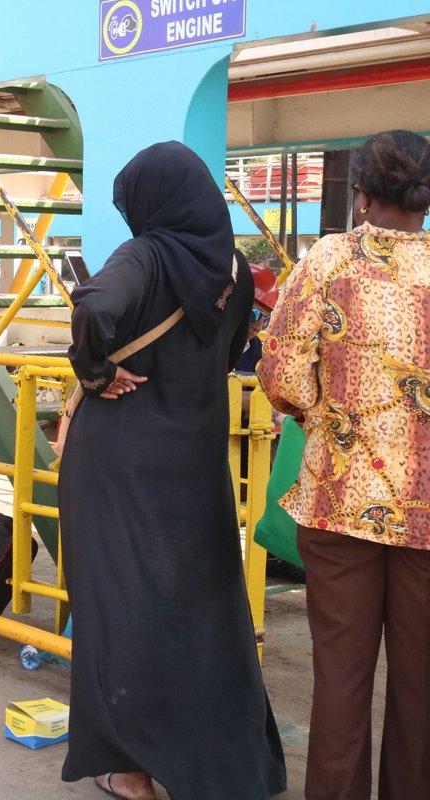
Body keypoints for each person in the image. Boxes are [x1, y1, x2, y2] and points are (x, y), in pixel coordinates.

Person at [58, 142, 286, 800]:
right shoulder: (233, 269)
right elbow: (231, 348)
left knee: (116, 602)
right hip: (195, 461)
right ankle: (223, 762)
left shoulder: (145, 256)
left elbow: (94, 306)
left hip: (118, 462)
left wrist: (95, 371)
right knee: (199, 608)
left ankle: (129, 770)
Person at [257, 129, 430, 800]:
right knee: (421, 691)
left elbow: (281, 375)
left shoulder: (330, 259)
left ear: (361, 193)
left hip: (339, 503)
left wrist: (325, 418)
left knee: (340, 683)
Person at [234, 262, 278, 373]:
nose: (259, 327)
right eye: (254, 314)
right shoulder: (204, 343)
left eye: (266, 318)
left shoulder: (255, 347)